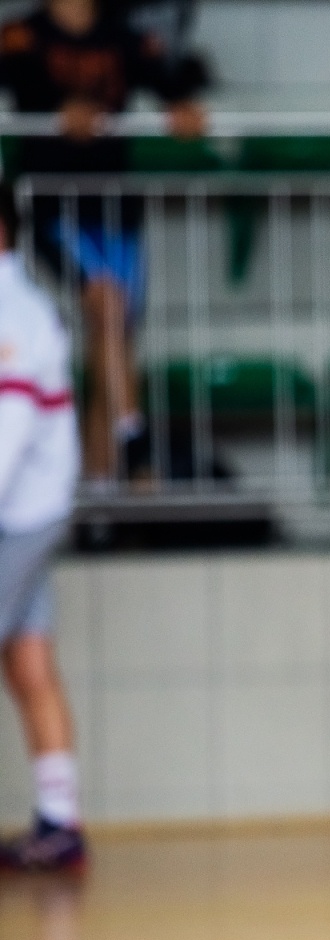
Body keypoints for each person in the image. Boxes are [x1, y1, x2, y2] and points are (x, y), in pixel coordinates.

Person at [0, 0, 205, 484]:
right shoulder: (23, 36)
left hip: (115, 210)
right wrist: (55, 112)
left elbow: (172, 89)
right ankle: (134, 441)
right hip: (55, 209)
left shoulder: (124, 35)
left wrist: (185, 109)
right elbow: (22, 85)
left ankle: (98, 494)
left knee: (111, 339)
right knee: (107, 308)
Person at [0, 186, 88, 873]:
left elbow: (10, 427)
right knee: (29, 658)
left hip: (18, 514)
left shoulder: (13, 308)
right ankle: (60, 820)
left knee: (28, 659)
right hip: (27, 511)